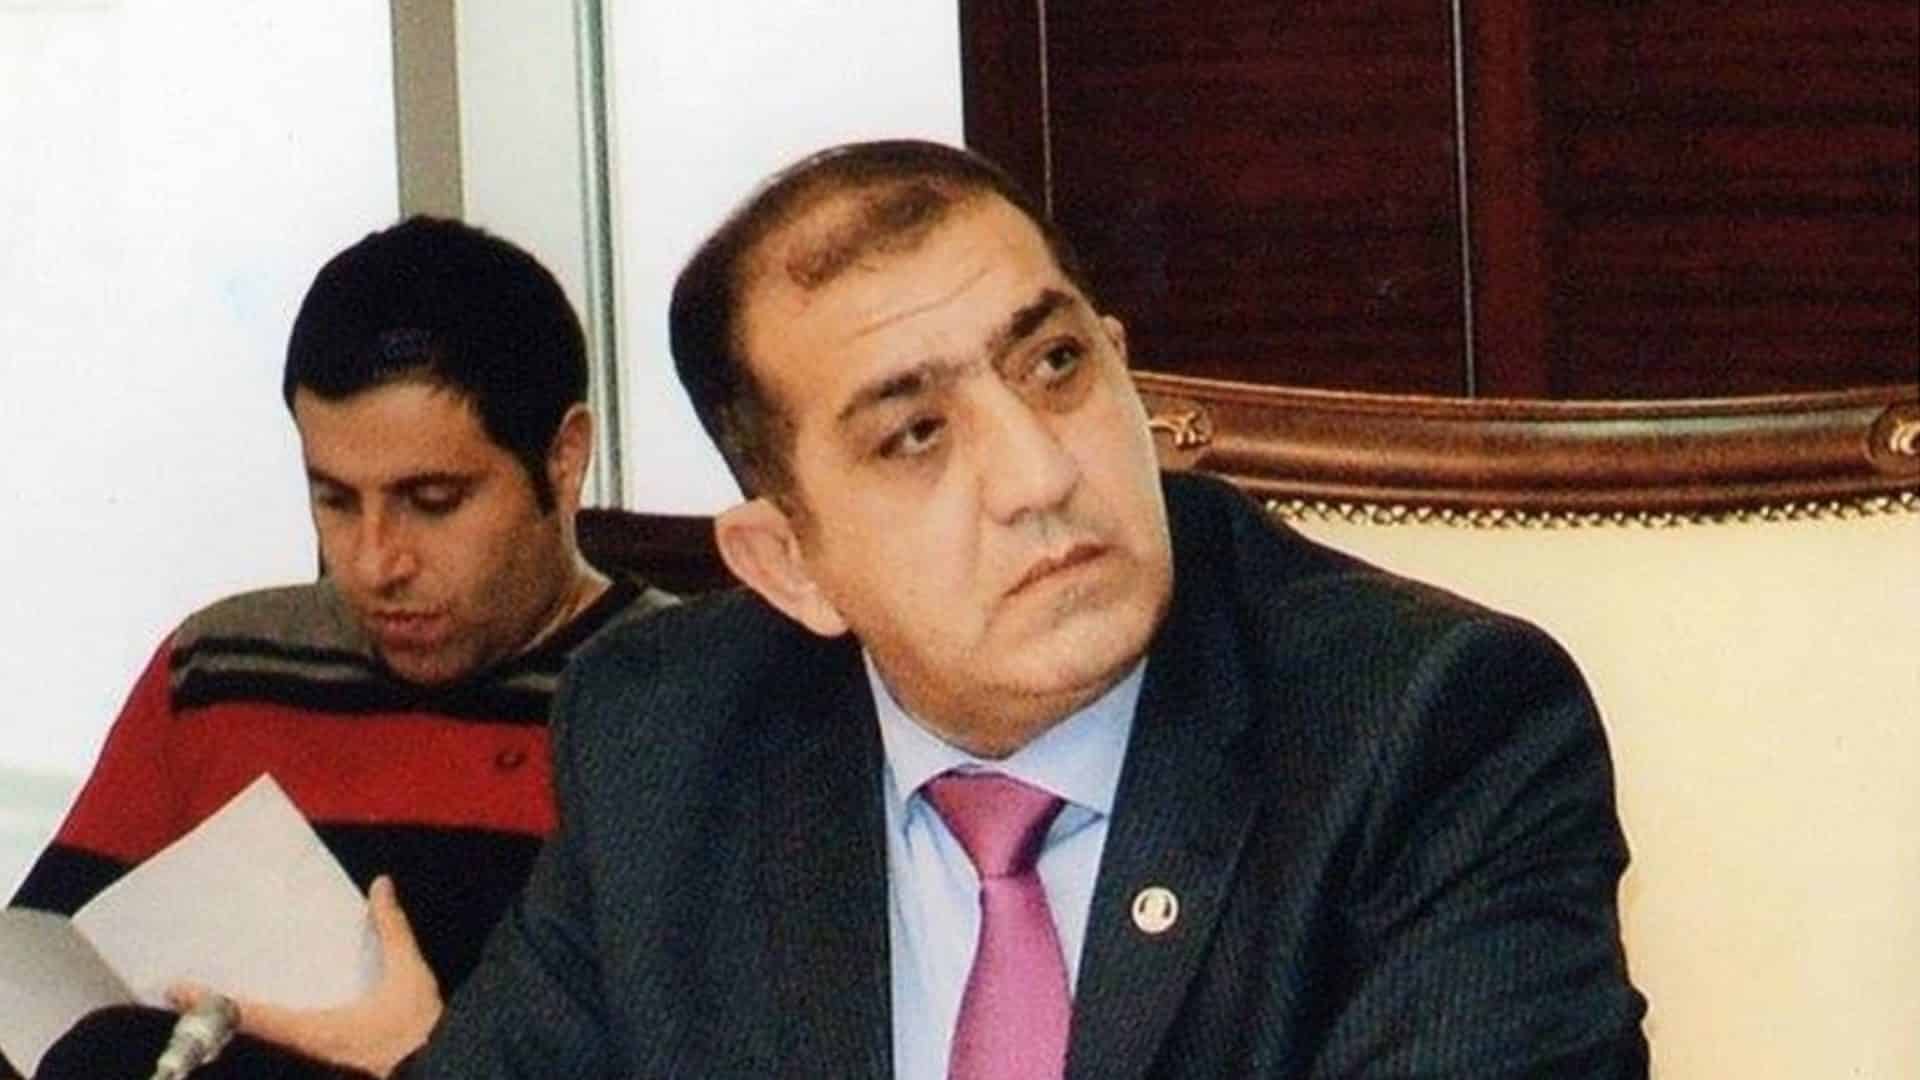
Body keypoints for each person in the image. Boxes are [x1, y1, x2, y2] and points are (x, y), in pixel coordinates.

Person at [405, 140, 1648, 1077]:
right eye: (915, 434)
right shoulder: (668, 734)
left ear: (1121, 365)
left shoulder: (1431, 730)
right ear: (790, 566)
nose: (1040, 476)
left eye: (1055, 367)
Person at [4, 217, 674, 1079]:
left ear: (564, 459)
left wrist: (431, 1063)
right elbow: (39, 976)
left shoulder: (683, 699)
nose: (373, 562)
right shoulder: (221, 672)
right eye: (335, 500)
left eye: (432, 501)